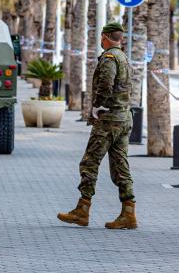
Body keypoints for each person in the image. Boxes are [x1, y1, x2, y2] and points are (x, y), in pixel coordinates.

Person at [58, 22, 136, 229]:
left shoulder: (110, 58)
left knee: (89, 162)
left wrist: (98, 106)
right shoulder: (125, 58)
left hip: (109, 120)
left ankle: (82, 210)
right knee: (120, 165)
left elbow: (106, 84)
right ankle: (129, 212)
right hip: (124, 117)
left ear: (105, 36)